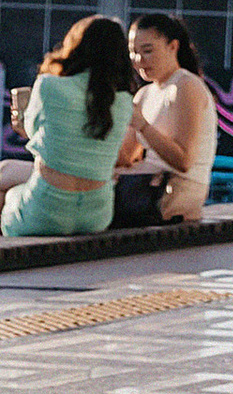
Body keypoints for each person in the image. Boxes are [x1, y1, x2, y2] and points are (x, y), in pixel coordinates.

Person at [3, 18, 137, 240]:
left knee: (10, 197)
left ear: (76, 46)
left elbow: (36, 135)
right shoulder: (123, 101)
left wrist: (22, 125)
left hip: (46, 211)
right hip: (98, 215)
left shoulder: (49, 85)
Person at [113, 15, 218, 228]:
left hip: (174, 194)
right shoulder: (144, 94)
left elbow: (183, 161)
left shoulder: (185, 86)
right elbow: (124, 157)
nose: (139, 60)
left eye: (148, 51)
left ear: (173, 47)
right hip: (144, 188)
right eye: (134, 52)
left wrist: (142, 125)